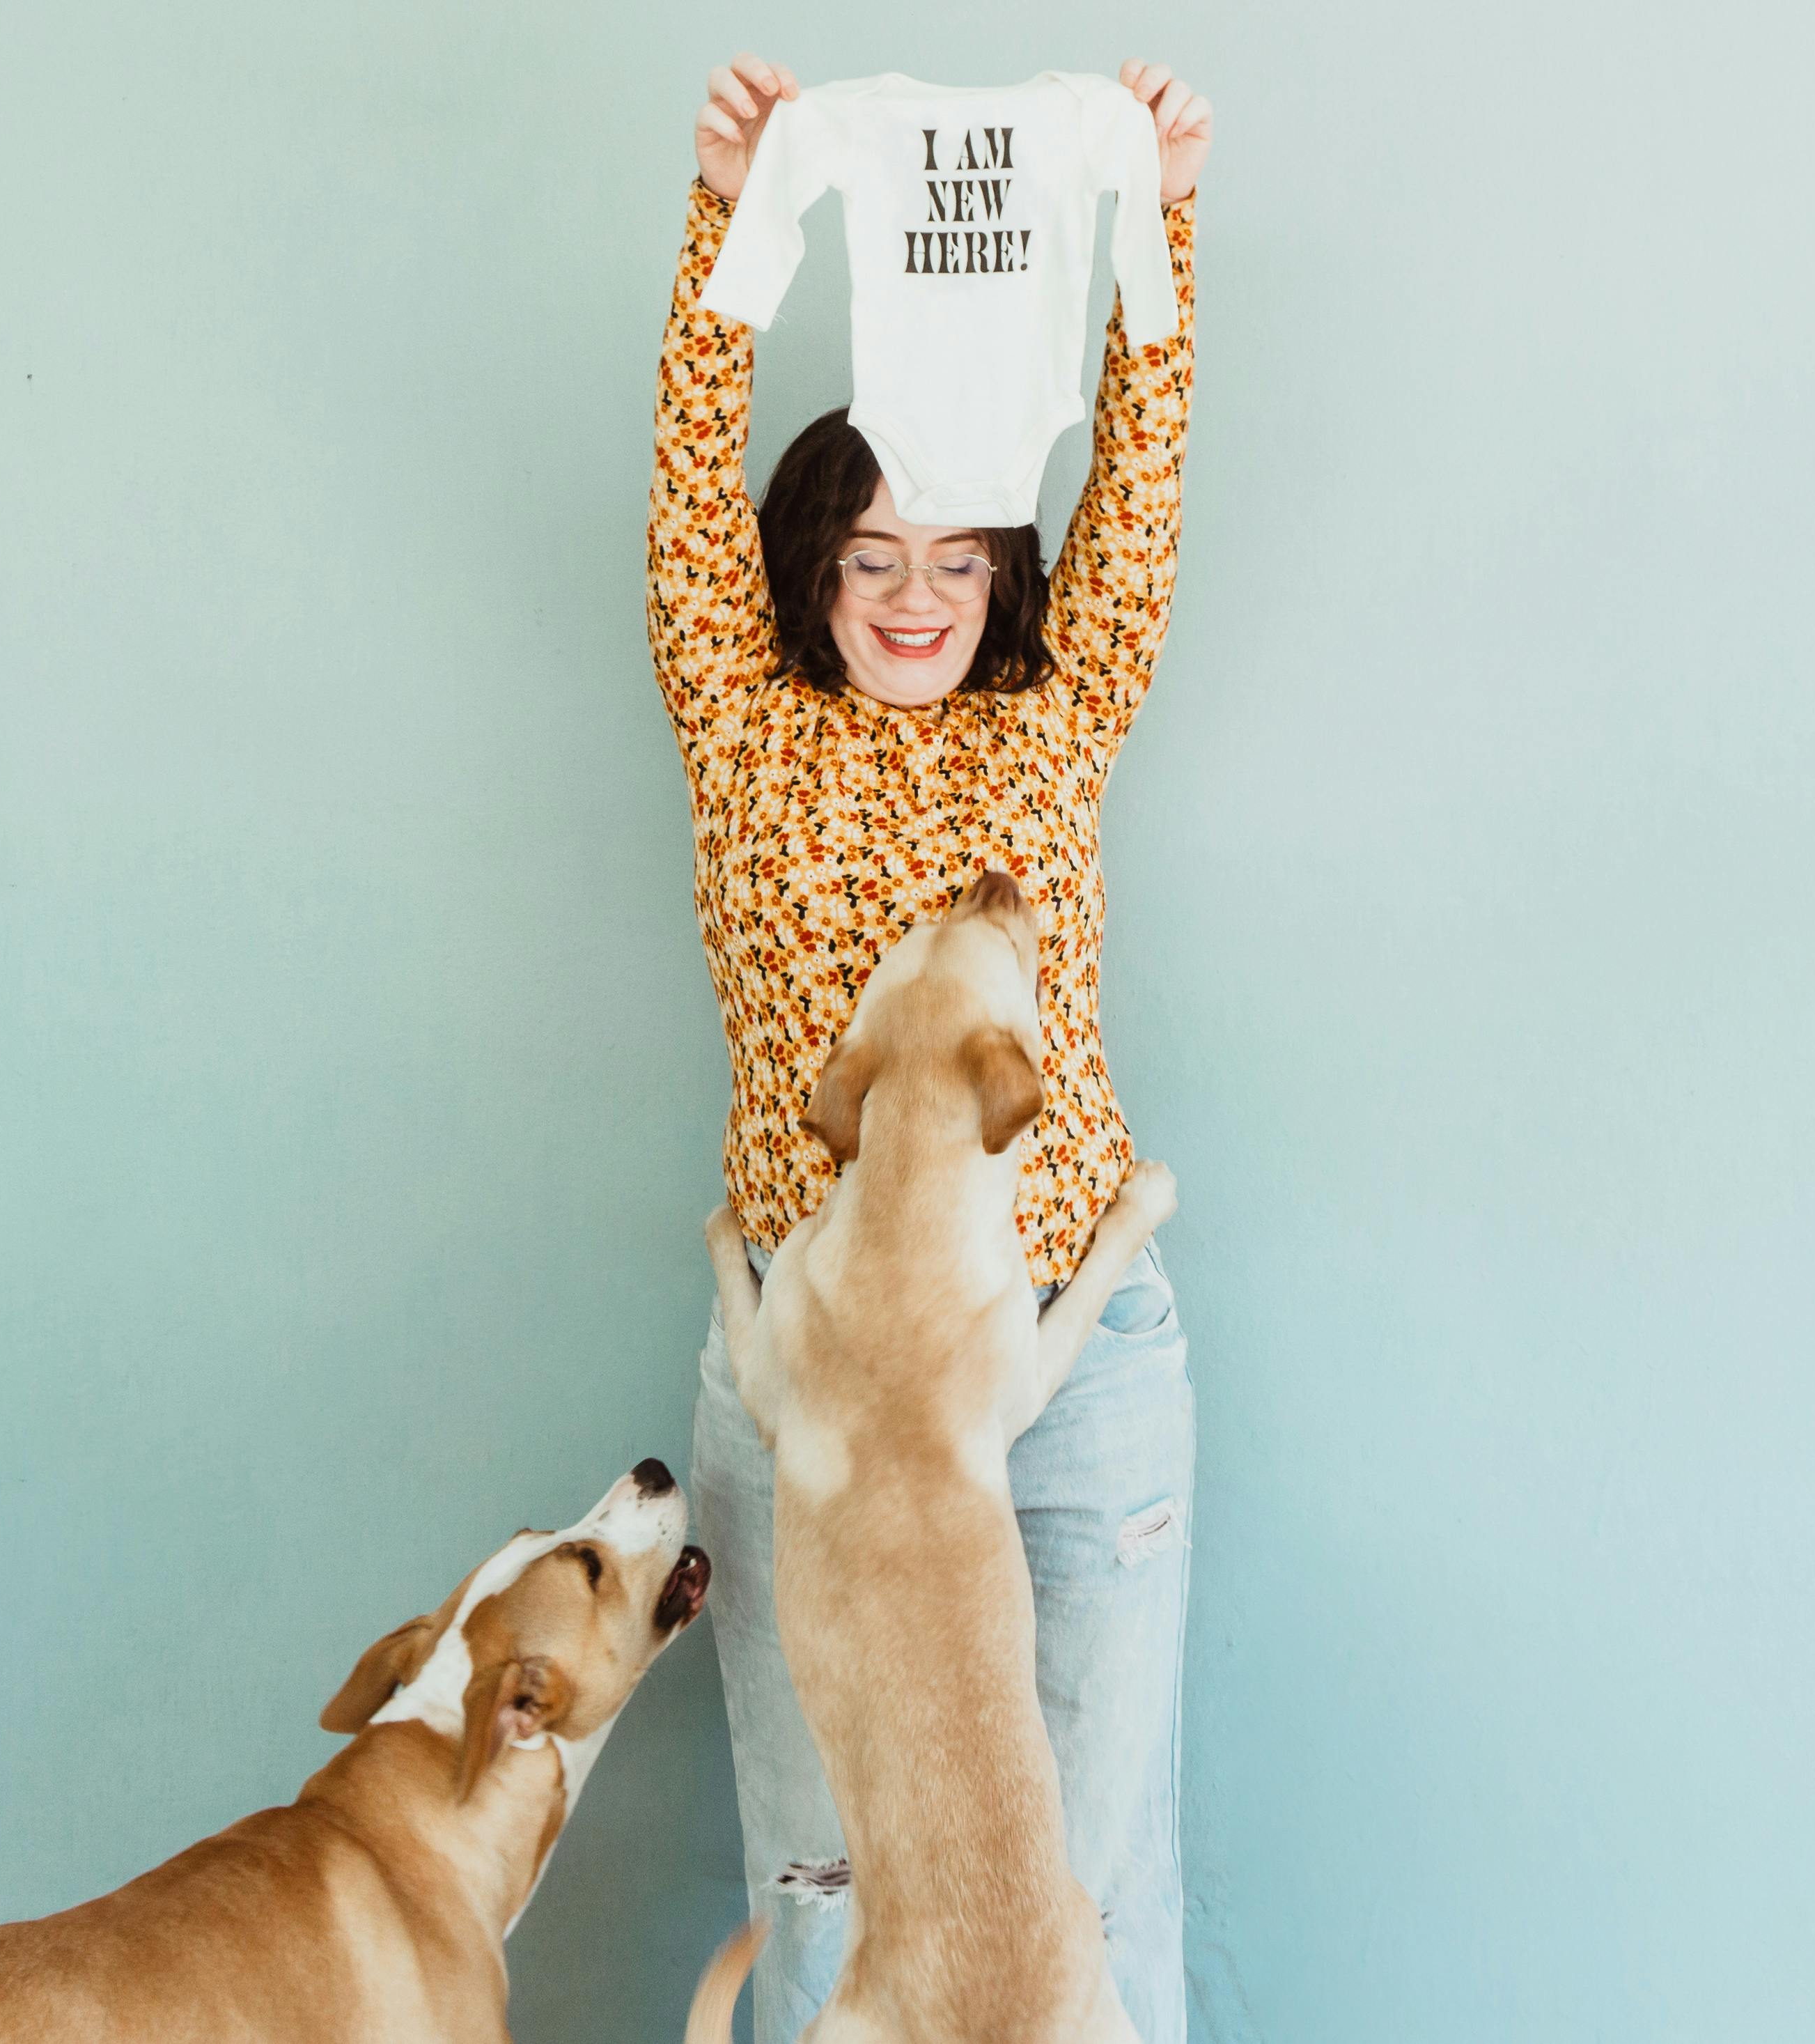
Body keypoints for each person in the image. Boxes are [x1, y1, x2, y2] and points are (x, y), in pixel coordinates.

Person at [648, 48, 1215, 2044]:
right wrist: (730, 212)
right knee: (828, 1896)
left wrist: (1159, 222)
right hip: (820, 1402)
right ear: (810, 573)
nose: (913, 596)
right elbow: (679, 485)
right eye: (870, 559)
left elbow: (1134, 489)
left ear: (1002, 578)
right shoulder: (746, 735)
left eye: (957, 558)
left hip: (1073, 1363)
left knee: (1095, 1895)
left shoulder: (1049, 730)